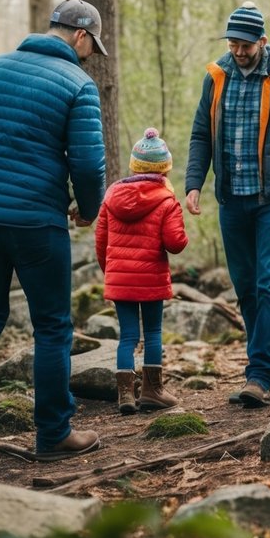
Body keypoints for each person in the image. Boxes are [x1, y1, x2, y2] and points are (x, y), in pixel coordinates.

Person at [0, 0, 108, 463]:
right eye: (92, 45)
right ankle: (53, 434)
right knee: (52, 327)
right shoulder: (78, 84)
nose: (90, 55)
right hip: (36, 222)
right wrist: (89, 209)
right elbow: (90, 165)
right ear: (79, 35)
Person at [186, 2, 270, 407]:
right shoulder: (217, 76)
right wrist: (194, 184)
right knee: (244, 287)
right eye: (233, 43)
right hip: (231, 201)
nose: (239, 51)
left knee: (268, 284)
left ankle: (260, 374)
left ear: (262, 40)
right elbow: (200, 135)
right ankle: (258, 364)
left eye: (246, 44)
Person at [95, 128, 189, 414]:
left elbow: (101, 240)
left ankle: (125, 394)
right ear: (165, 169)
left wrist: (110, 272)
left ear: (134, 166)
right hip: (151, 280)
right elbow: (175, 244)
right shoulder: (166, 200)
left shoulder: (112, 196)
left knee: (127, 336)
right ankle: (152, 390)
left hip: (120, 279)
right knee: (153, 332)